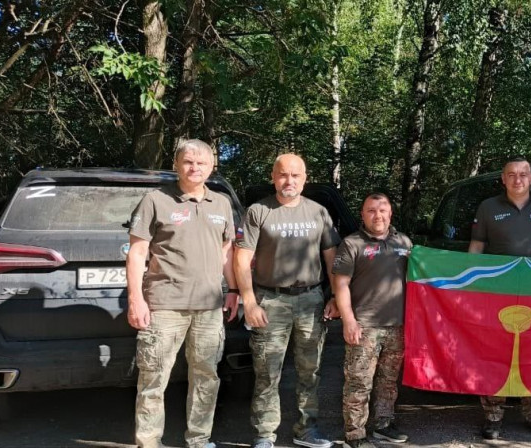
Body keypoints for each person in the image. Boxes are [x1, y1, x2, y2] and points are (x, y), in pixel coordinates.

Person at [126, 139, 238, 448]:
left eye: (202, 163)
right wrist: (136, 299)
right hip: (164, 305)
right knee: (153, 378)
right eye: (188, 162)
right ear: (176, 165)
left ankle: (199, 439)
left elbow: (226, 253)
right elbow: (137, 253)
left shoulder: (221, 204)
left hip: (209, 306)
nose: (194, 168)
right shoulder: (155, 200)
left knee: (206, 377)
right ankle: (149, 442)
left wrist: (233, 289)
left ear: (212, 167)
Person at [234, 154, 339, 448]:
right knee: (267, 371)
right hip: (270, 301)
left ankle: (307, 430)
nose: (289, 180)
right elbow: (241, 260)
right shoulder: (258, 211)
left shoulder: (318, 212)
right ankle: (264, 435)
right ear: (273, 176)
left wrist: (334, 297)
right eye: (283, 174)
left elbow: (332, 258)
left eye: (295, 175)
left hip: (311, 300)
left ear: (305, 178)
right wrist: (249, 302)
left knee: (310, 370)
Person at [468, 156, 531, 440]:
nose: (517, 179)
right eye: (511, 174)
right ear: (503, 178)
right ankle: (493, 418)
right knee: (495, 351)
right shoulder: (488, 207)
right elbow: (477, 245)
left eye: (523, 174)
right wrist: (470, 283)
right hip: (498, 291)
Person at [332, 193, 413, 448]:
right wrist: (348, 320)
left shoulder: (404, 242)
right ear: (363, 214)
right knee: (359, 383)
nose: (377, 215)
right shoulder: (352, 243)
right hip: (364, 326)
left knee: (388, 382)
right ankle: (354, 434)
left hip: (397, 326)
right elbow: (340, 285)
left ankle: (383, 425)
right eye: (371, 210)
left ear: (390, 213)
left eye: (382, 210)